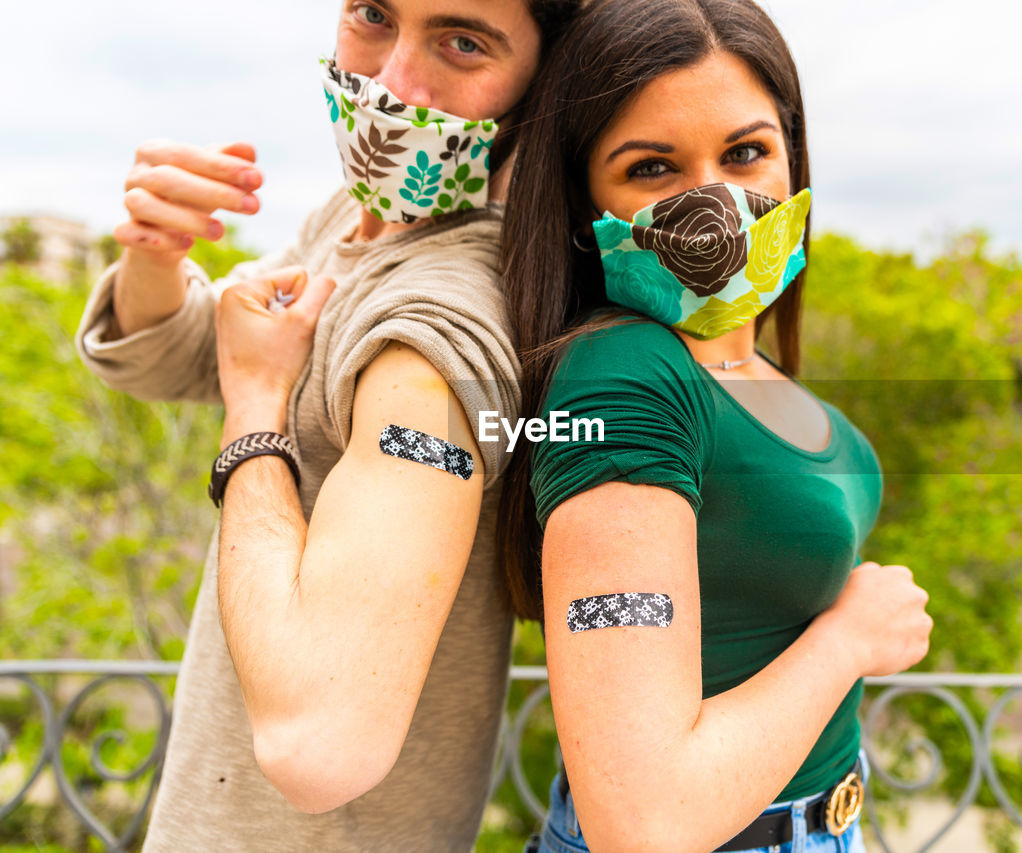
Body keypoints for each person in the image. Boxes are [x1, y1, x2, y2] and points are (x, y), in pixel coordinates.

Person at [75, 1, 578, 850]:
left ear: (546, 83)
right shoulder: (355, 221)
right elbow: (171, 357)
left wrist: (253, 408)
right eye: (375, 15)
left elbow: (321, 741)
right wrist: (157, 253)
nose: (392, 81)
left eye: (463, 42)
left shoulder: (435, 319)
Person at [497, 0, 934, 850]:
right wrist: (849, 639)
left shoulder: (740, 365)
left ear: (791, 156)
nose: (716, 202)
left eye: (745, 152)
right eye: (654, 168)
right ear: (586, 200)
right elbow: (643, 820)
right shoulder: (623, 379)